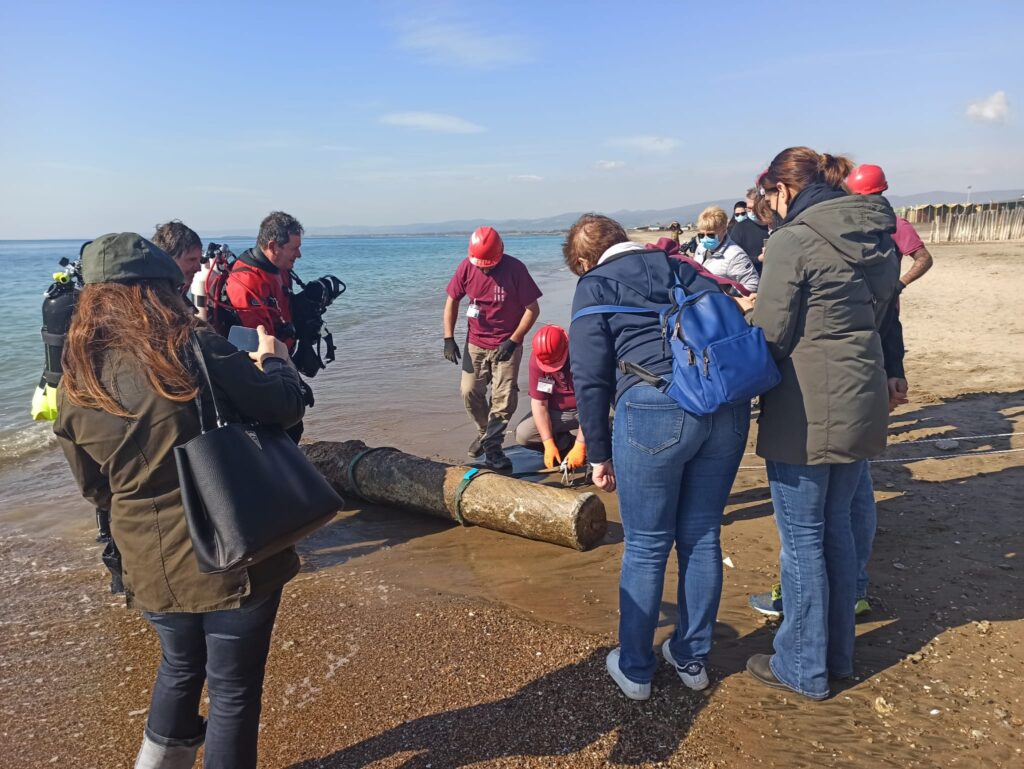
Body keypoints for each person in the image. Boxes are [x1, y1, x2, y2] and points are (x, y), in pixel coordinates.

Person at [54, 233, 306, 768]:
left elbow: (94, 488)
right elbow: (283, 407)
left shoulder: (76, 381)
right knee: (234, 692)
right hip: (231, 550)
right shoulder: (194, 349)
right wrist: (274, 358)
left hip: (147, 562)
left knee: (178, 668)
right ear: (161, 289)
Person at [567, 214, 749, 701]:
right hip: (725, 404)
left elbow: (588, 378)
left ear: (584, 261)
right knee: (702, 534)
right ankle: (691, 659)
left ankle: (636, 670)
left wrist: (598, 453)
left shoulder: (595, 285)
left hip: (653, 407)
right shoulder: (682, 264)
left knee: (647, 545)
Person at [741, 147, 900, 701]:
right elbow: (882, 320)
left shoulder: (793, 240)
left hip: (808, 412)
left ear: (783, 191)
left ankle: (803, 667)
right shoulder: (879, 235)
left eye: (770, 198)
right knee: (838, 531)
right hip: (862, 400)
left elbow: (772, 336)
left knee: (802, 540)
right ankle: (836, 656)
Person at [443, 226, 541, 471]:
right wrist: (448, 337)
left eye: (488, 264)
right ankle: (485, 432)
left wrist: (514, 340)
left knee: (504, 397)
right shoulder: (466, 267)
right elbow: (452, 301)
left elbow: (532, 309)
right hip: (475, 342)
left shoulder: (515, 269)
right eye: (480, 264)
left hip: (506, 343)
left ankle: (494, 447)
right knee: (469, 391)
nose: (484, 268)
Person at [226, 211, 311, 441]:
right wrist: (292, 378)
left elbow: (284, 310)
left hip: (282, 356)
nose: (299, 255)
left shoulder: (279, 270)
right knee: (288, 430)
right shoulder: (245, 283)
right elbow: (259, 345)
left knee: (294, 428)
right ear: (273, 246)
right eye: (294, 249)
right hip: (263, 367)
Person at [846, 164, 934, 289]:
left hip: (884, 304)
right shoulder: (849, 223)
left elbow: (924, 259)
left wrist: (899, 285)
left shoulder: (897, 225)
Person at [514, 324, 586, 470]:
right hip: (558, 413)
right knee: (524, 434)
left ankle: (601, 449)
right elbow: (540, 404)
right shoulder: (537, 360)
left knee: (615, 420)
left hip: (589, 408)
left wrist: (581, 444)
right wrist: (548, 442)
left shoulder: (583, 355)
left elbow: (594, 403)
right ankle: (563, 443)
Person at [692, 206, 760, 292]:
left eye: (711, 235)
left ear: (724, 231)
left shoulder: (735, 255)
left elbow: (752, 284)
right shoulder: (701, 247)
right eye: (701, 235)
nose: (705, 239)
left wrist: (726, 294)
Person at [152, 219, 202, 289]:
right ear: (167, 259)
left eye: (200, 260)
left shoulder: (172, 293)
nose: (199, 269)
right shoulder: (150, 297)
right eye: (192, 260)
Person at [730, 187, 770, 271]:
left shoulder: (775, 225)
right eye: (748, 208)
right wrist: (757, 259)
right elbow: (733, 258)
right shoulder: (739, 229)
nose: (750, 211)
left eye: (753, 208)